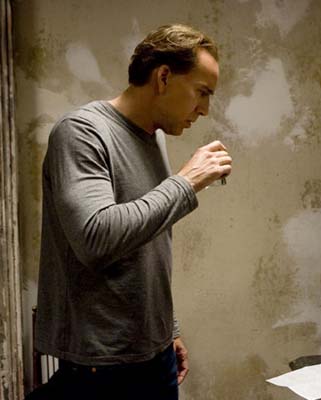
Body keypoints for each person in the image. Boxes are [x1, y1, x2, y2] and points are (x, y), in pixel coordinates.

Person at [27, 23, 231, 400]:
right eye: (202, 93)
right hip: (101, 366)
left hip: (153, 355)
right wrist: (186, 182)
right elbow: (95, 237)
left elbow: (144, 244)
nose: (204, 109)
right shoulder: (82, 132)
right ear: (164, 77)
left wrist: (165, 330)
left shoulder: (154, 137)